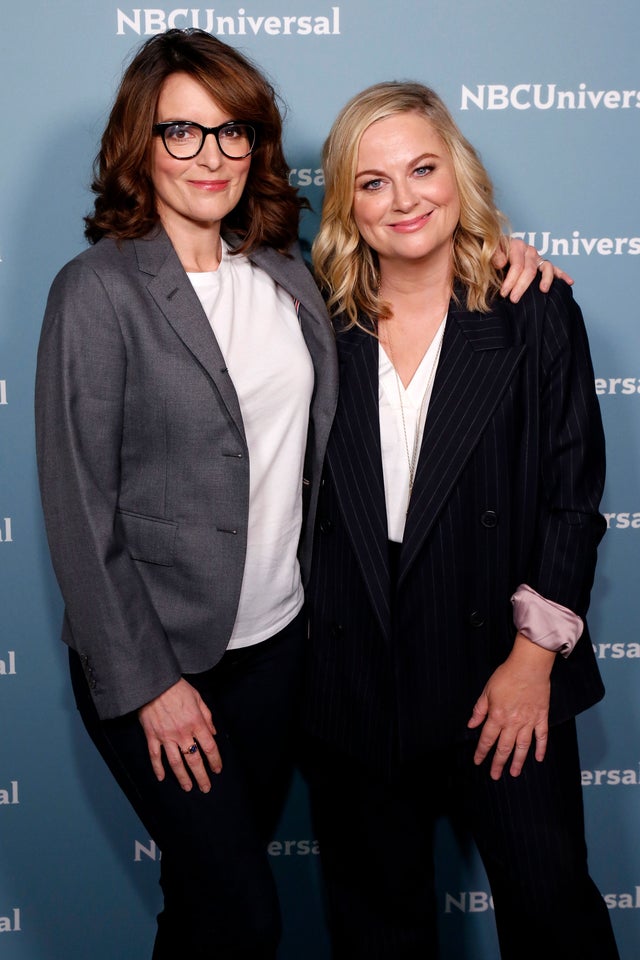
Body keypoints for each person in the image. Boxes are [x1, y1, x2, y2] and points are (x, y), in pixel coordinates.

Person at [35, 28, 563, 958]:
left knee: (201, 899)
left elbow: (417, 259)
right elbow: (79, 510)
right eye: (181, 132)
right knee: (240, 910)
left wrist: (502, 251)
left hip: (282, 656)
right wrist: (151, 683)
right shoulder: (97, 291)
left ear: (256, 146)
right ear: (139, 145)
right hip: (167, 661)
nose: (211, 155)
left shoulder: (289, 277)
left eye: (232, 131)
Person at [304, 81, 618, 960]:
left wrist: (531, 663)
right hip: (354, 674)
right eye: (372, 182)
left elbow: (571, 500)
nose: (403, 200)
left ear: (459, 173)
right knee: (378, 933)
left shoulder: (534, 310)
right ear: (345, 202)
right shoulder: (309, 319)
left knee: (552, 913)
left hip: (501, 669)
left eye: (422, 169)